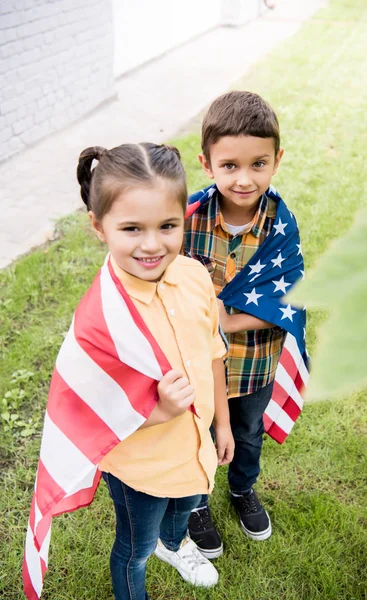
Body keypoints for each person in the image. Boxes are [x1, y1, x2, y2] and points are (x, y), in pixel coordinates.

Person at [23, 143, 234, 600]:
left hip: (194, 446)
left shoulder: (195, 276)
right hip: (142, 467)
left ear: (184, 218)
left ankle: (175, 544)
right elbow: (91, 412)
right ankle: (148, 556)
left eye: (168, 226)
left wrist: (223, 421)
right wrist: (159, 410)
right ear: (99, 227)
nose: (153, 244)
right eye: (132, 228)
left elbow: (213, 351)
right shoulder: (101, 322)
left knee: (186, 507)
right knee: (134, 548)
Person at [184, 91, 306, 558]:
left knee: (247, 431)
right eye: (230, 165)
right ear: (207, 163)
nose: (244, 178)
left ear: (277, 160)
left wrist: (228, 319)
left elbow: (291, 296)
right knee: (198, 430)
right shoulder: (187, 219)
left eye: (259, 163)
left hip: (254, 361)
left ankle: (241, 489)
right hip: (198, 364)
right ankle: (196, 502)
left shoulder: (280, 224)